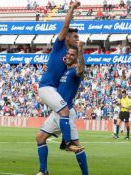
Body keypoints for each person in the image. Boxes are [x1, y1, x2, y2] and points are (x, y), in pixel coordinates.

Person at [36, 42, 88, 175]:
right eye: (68, 54)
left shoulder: (76, 71)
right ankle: (43, 171)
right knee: (40, 138)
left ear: (77, 57)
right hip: (57, 111)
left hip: (67, 112)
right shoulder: (66, 69)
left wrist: (80, 51)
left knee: (76, 146)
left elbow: (81, 69)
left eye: (72, 55)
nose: (69, 56)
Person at [38, 0, 81, 153]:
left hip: (52, 89)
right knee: (65, 112)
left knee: (69, 111)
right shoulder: (59, 46)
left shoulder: (70, 57)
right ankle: (67, 142)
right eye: (74, 37)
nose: (76, 39)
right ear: (67, 37)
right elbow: (65, 26)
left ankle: (65, 142)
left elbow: (74, 71)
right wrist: (72, 8)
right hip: (47, 87)